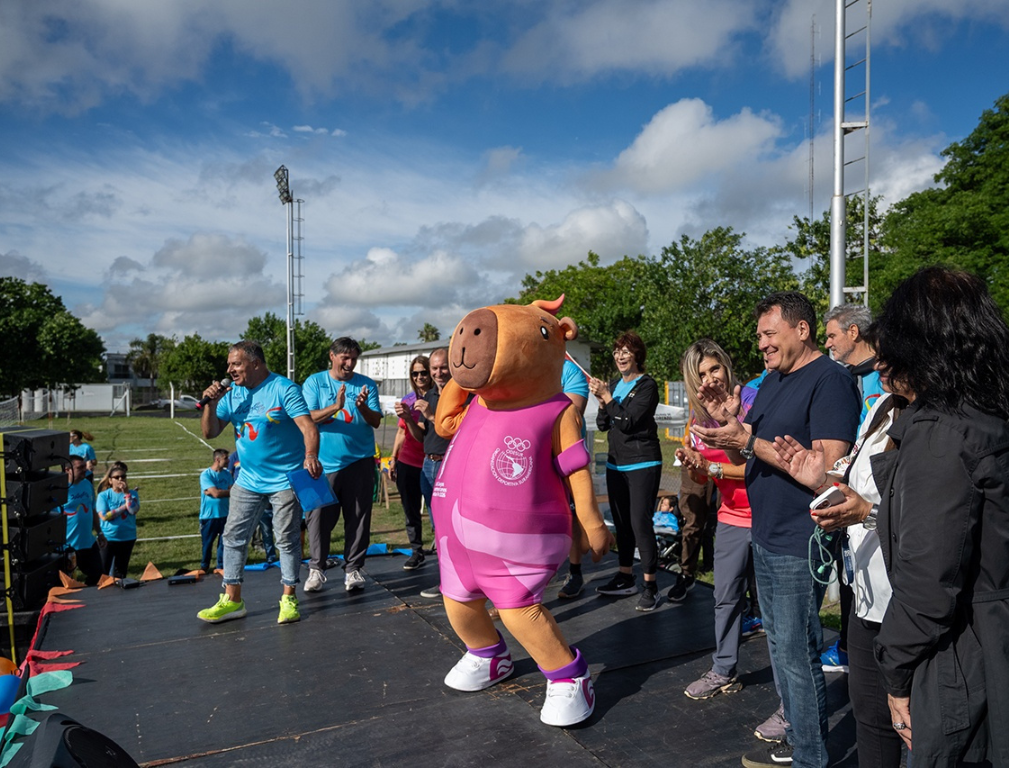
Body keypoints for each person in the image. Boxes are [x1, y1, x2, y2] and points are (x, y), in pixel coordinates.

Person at [691, 292, 859, 768]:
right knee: (784, 648)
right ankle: (803, 740)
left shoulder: (829, 379)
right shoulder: (770, 381)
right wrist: (729, 418)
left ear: (801, 330)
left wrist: (748, 438)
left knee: (795, 652)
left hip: (797, 538)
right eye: (759, 335)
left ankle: (810, 757)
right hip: (765, 532)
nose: (761, 343)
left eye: (769, 333)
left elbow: (827, 465)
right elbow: (752, 451)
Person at [871, 267, 1006, 766]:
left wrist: (896, 672)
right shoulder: (994, 412)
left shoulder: (943, 433)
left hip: (957, 660)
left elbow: (929, 586)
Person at [774, 387, 905, 768]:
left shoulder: (946, 417)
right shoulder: (881, 406)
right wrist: (821, 480)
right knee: (871, 718)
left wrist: (867, 513)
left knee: (915, 728)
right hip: (864, 595)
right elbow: (857, 482)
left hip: (910, 600)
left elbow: (926, 517)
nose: (882, 367)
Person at [197, 340, 321, 625]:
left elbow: (308, 427)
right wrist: (212, 404)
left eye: (236, 364)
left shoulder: (284, 388)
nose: (230, 370)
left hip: (285, 479)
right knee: (233, 537)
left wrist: (311, 455)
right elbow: (210, 432)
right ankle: (232, 599)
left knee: (286, 538)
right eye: (229, 365)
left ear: (255, 363)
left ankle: (289, 598)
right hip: (248, 480)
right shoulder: (231, 394)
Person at [675, 340, 767, 703]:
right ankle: (723, 669)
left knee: (775, 609)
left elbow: (755, 467)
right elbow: (703, 482)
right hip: (730, 516)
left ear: (727, 367)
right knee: (725, 596)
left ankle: (789, 689)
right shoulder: (699, 418)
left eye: (715, 368)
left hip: (766, 514)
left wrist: (710, 466)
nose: (711, 378)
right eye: (702, 374)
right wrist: (691, 463)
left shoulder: (752, 402)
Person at [819, 303, 887, 673]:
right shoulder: (844, 377)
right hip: (847, 493)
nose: (827, 342)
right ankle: (848, 646)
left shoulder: (883, 377)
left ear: (853, 333)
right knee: (850, 572)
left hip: (878, 500)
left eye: (831, 335)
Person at [302, 337, 383, 593]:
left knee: (358, 517)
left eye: (353, 359)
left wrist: (361, 408)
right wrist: (335, 407)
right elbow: (307, 417)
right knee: (317, 519)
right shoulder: (314, 382)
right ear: (332, 356)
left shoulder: (366, 384)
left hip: (359, 461)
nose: (349, 364)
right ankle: (317, 569)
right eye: (344, 358)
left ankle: (353, 570)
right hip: (320, 464)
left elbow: (376, 421)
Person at [590, 331, 663, 612]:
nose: (620, 356)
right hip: (615, 464)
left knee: (639, 523)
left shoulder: (647, 386)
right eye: (617, 351)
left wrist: (607, 397)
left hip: (642, 463)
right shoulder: (614, 385)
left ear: (637, 355)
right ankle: (625, 576)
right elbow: (604, 424)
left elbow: (629, 422)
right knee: (621, 523)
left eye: (625, 351)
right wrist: (601, 401)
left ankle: (651, 586)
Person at [416, 347, 454, 599]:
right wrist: (410, 419)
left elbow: (457, 431)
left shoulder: (462, 393)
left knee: (452, 525)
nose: (438, 373)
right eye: (434, 368)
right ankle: (446, 581)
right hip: (428, 464)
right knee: (437, 526)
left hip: (449, 463)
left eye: (442, 367)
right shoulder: (429, 393)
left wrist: (430, 415)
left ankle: (456, 581)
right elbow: (422, 436)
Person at [390, 355, 433, 571]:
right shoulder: (407, 399)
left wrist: (410, 419)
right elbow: (400, 432)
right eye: (415, 373)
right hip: (407, 462)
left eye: (423, 372)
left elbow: (423, 436)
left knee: (437, 511)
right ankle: (417, 551)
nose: (419, 377)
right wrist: (393, 458)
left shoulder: (438, 398)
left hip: (431, 462)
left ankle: (443, 549)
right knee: (410, 510)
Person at [554, 357, 591, 599]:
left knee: (573, 515)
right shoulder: (527, 367)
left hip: (567, 454)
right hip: (533, 453)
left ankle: (575, 572)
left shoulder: (569, 371)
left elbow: (572, 414)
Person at [59, 455, 103, 585]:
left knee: (98, 575)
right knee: (68, 582)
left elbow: (92, 509)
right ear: (67, 469)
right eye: (80, 467)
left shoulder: (87, 484)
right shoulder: (59, 490)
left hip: (88, 542)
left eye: (85, 466)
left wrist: (99, 533)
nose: (85, 469)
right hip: (68, 546)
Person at [96, 461, 140, 578]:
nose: (121, 479)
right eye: (117, 477)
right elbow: (104, 516)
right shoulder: (103, 496)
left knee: (120, 572)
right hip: (108, 538)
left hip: (127, 537)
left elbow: (133, 510)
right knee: (103, 572)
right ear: (110, 481)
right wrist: (123, 507)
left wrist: (126, 494)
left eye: (123, 476)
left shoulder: (132, 494)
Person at [199, 448, 233, 573]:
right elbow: (216, 494)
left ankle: (221, 566)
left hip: (225, 514)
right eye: (226, 459)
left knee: (224, 543)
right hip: (209, 516)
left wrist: (216, 492)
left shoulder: (227, 474)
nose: (228, 461)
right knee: (207, 544)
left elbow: (232, 491)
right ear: (218, 459)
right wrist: (218, 492)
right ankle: (204, 566)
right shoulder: (206, 475)